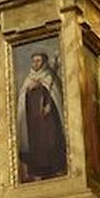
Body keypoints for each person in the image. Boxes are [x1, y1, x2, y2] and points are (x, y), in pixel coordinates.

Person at [17, 51, 67, 181]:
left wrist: (50, 105)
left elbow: (56, 94)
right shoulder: (29, 78)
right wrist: (28, 90)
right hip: (34, 121)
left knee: (51, 141)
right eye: (34, 61)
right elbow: (23, 97)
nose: (35, 63)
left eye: (38, 61)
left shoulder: (50, 76)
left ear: (44, 62)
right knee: (36, 146)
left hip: (48, 119)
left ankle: (56, 168)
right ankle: (37, 171)